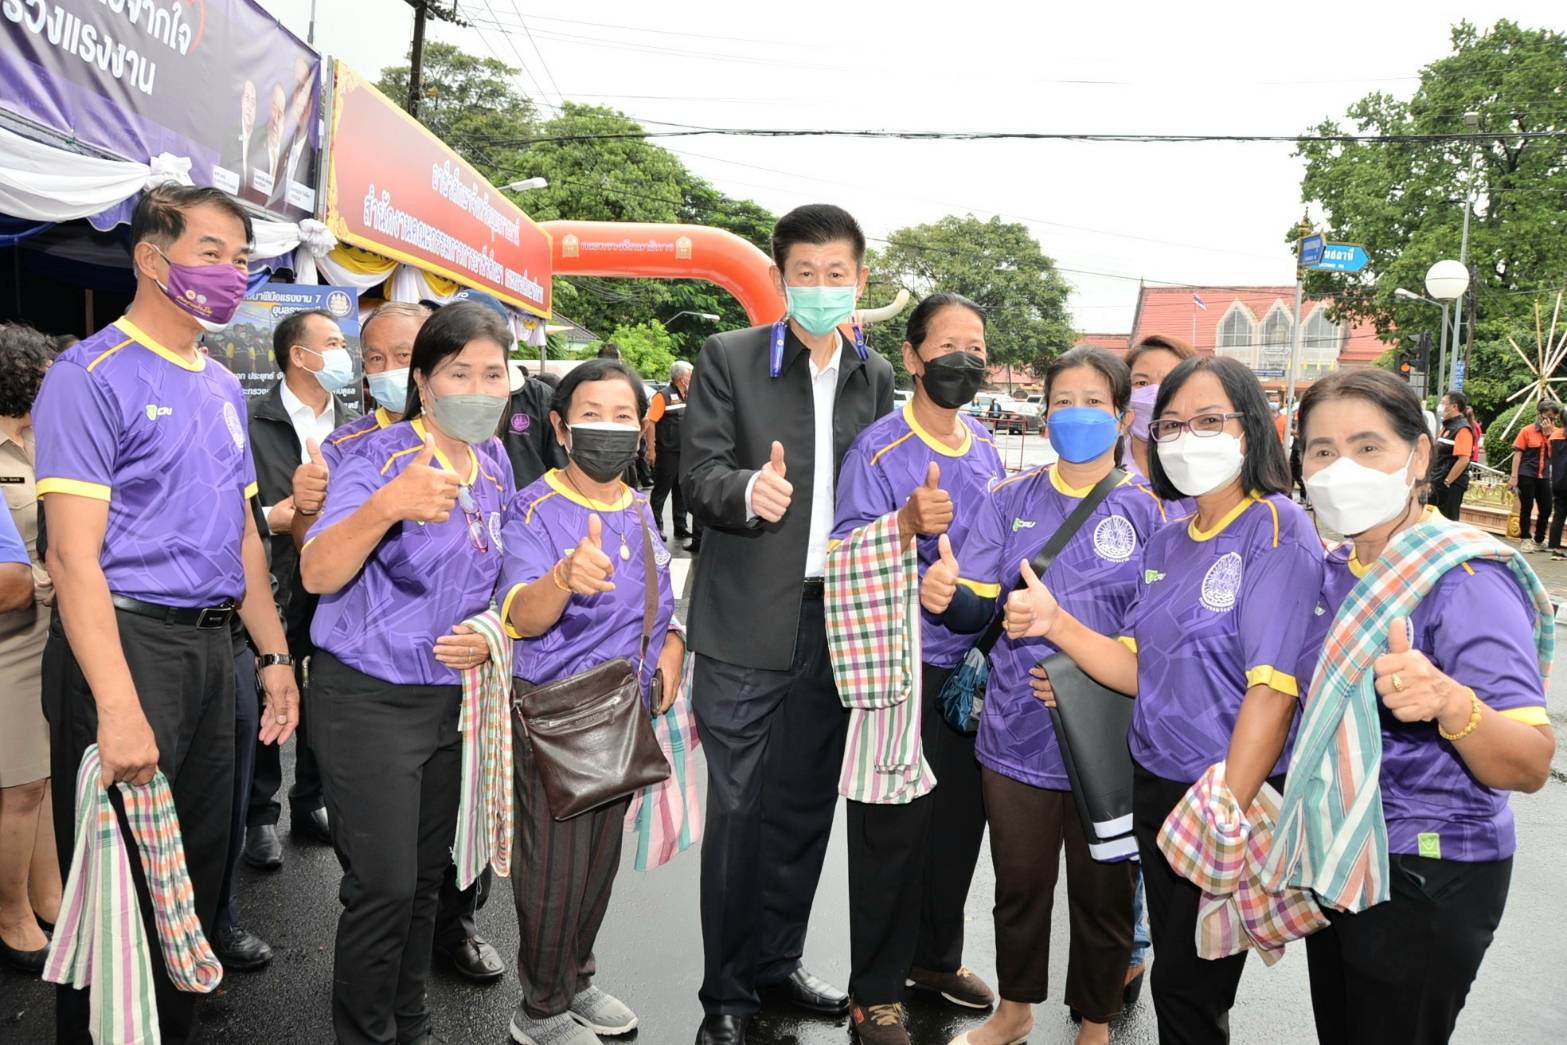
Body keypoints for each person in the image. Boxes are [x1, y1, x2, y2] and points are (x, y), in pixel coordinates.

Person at [34, 184, 300, 1042]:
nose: (233, 273)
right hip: (125, 646)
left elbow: (244, 536)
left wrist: (273, 656)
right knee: (121, 890)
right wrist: (116, 705)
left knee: (197, 873)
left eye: (242, 258)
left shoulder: (220, 383)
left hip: (217, 653)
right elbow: (71, 556)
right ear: (152, 258)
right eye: (211, 253)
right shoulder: (89, 375)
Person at [1002, 355, 1324, 1044]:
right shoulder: (1170, 538)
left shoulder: (1275, 526)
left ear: (1251, 429)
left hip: (1223, 793)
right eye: (1171, 424)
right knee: (1177, 974)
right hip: (1152, 786)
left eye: (1208, 420)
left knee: (1190, 991)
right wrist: (1056, 623)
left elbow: (1273, 690)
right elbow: (1135, 666)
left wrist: (1224, 809)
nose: (1186, 438)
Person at [682, 203, 895, 1045]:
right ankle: (727, 995)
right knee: (738, 811)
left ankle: (776, 962)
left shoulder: (872, 374)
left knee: (802, 807)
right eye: (803, 273)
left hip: (834, 620)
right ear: (778, 278)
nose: (819, 287)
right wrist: (746, 489)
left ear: (859, 280)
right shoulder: (728, 357)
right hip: (743, 625)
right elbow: (696, 472)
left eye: (835, 273)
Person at [1292, 368, 1555, 1044]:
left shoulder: (1465, 579)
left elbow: (1529, 762)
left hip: (1428, 872)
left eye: (1366, 446)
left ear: (1417, 457)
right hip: (1342, 854)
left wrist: (1448, 700)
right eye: (1321, 450)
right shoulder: (1333, 569)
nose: (1340, 468)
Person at [924, 347, 1163, 1045]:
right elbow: (975, 603)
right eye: (1062, 401)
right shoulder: (1010, 499)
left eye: (1093, 401)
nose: (1075, 414)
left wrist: (1080, 671)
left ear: (1121, 416)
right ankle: (1015, 1010)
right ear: (1044, 412)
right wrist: (946, 594)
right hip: (1014, 733)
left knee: (1103, 891)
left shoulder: (1151, 512)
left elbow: (1158, 637)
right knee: (1019, 886)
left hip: (1108, 741)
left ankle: (1095, 1022)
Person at [299, 300, 513, 1045]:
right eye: (460, 372)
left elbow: (500, 574)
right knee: (383, 887)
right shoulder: (376, 460)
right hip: (368, 700)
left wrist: (493, 630)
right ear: (423, 382)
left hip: (451, 703)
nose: (479, 389)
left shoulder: (493, 462)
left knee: (426, 879)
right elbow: (318, 571)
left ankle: (410, 1024)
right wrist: (387, 507)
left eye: (493, 373)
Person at [826, 293, 1002, 1045]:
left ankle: (934, 959)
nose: (965, 358)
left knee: (957, 828)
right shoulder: (877, 450)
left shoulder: (987, 445)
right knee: (890, 833)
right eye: (949, 344)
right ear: (912, 356)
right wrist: (902, 527)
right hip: (898, 673)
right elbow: (842, 555)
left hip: (969, 671)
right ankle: (874, 991)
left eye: (977, 346)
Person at [498, 356, 685, 1045]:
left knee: (598, 862)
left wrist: (672, 646)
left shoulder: (636, 506)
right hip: (558, 712)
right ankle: (540, 1009)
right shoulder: (534, 508)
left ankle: (576, 977)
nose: (609, 428)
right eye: (592, 415)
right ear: (559, 427)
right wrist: (562, 577)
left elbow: (661, 602)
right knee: (553, 868)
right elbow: (520, 615)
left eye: (623, 415)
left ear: (641, 427)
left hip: (623, 711)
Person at [244, 308, 360, 868]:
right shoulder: (251, 421)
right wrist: (275, 517)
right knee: (265, 690)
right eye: (334, 342)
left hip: (335, 582)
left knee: (322, 694)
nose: (345, 354)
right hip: (265, 582)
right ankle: (258, 815)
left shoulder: (357, 424)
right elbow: (229, 511)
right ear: (299, 355)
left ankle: (310, 799)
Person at [0, 323, 58, 975]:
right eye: (41, 374)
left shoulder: (45, 439)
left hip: (52, 630)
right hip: (8, 641)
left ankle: (48, 895)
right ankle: (10, 911)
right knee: (17, 785)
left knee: (44, 776)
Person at [646, 360, 694, 544]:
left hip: (684, 452)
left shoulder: (689, 395)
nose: (692, 378)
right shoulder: (662, 396)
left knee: (681, 491)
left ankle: (681, 526)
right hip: (667, 453)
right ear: (682, 378)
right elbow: (651, 422)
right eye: (690, 375)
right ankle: (656, 528)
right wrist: (651, 449)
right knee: (661, 491)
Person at [1509, 402, 1557, 552]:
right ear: (1540, 415)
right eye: (1548, 416)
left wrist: (1549, 436)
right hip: (1526, 474)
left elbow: (1555, 456)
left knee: (1547, 508)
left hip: (1545, 475)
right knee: (1526, 507)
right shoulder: (1527, 431)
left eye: (1553, 418)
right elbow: (1518, 455)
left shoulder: (1556, 432)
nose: (1550, 420)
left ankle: (1539, 539)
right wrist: (1514, 477)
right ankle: (1525, 538)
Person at [1430, 391, 1476, 522]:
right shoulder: (1447, 426)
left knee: (1447, 521)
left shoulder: (1462, 429)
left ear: (1454, 406)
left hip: (1450, 485)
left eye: (1443, 403)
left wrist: (1447, 481)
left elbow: (1464, 459)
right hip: (1438, 481)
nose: (1440, 406)